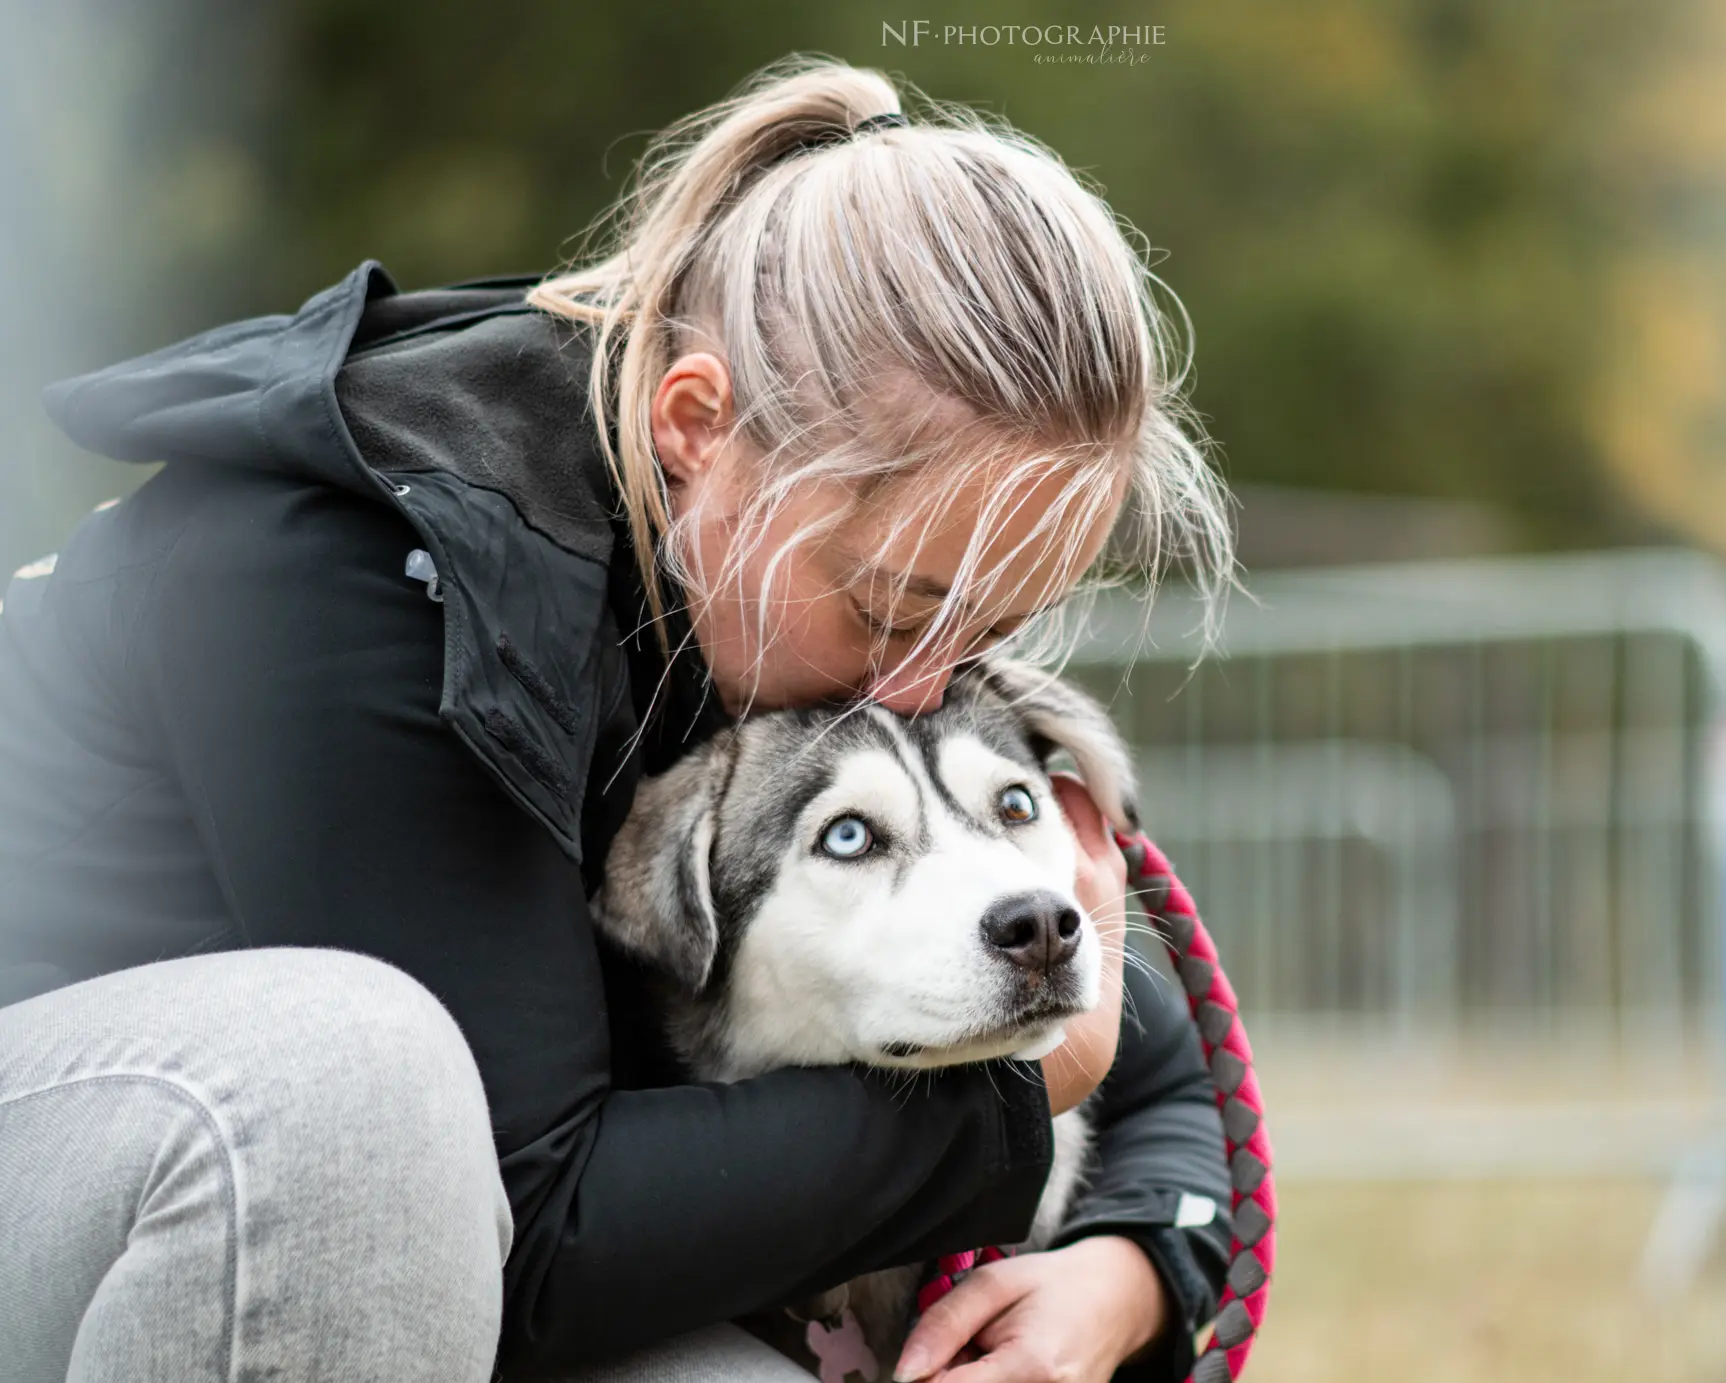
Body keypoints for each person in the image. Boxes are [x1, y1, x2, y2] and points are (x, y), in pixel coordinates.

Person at [0, 55, 1240, 1383]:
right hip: (117, 1138)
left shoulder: (773, 621)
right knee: (347, 1079)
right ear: (695, 422)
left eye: (987, 633)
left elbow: (1150, 1060)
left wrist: (1129, 1275)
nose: (928, 695)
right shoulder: (368, 569)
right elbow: (527, 1235)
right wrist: (1013, 1097)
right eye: (894, 609)